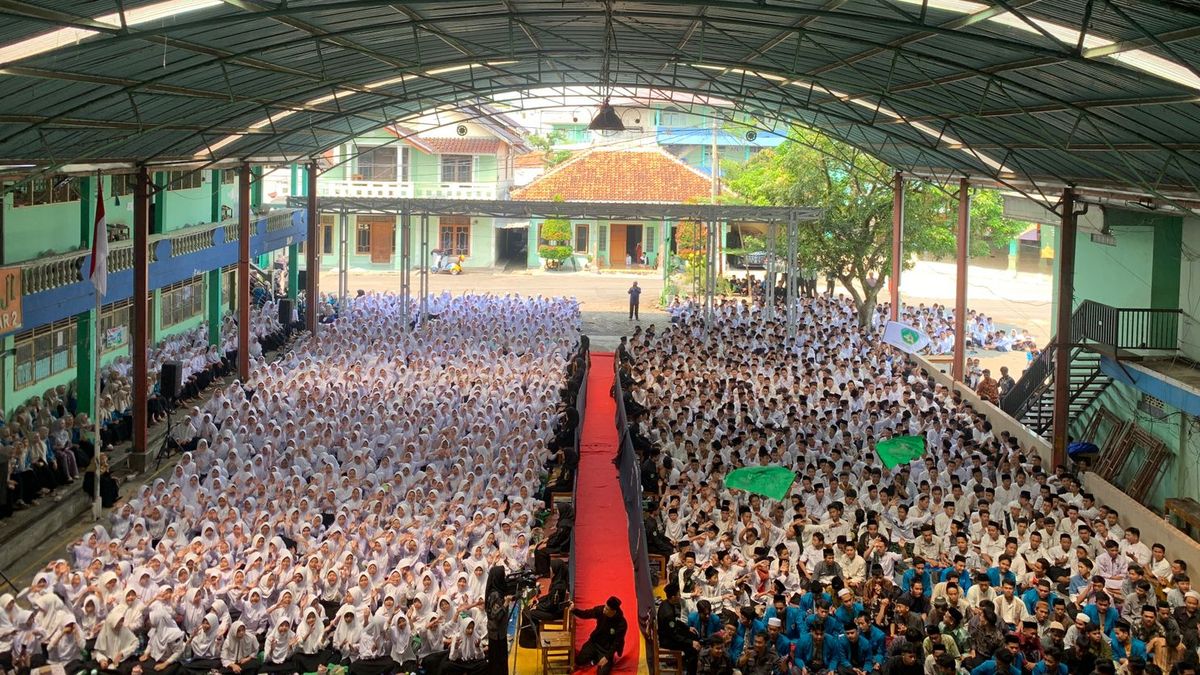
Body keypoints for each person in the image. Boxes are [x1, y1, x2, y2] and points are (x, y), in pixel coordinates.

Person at [572, 596, 628, 675]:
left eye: (607, 609)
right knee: (579, 661)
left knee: (602, 673)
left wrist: (607, 657)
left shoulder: (621, 624)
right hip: (594, 643)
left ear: (613, 611)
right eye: (605, 607)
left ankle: (605, 660)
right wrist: (574, 610)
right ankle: (594, 658)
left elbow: (617, 643)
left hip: (606, 650)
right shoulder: (601, 610)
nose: (604, 610)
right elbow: (586, 614)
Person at [658, 583, 701, 674]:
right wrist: (690, 642)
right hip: (668, 640)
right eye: (678, 595)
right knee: (693, 649)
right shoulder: (668, 613)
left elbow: (676, 621)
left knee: (694, 635)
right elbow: (674, 635)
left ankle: (684, 661)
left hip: (671, 633)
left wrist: (687, 628)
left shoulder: (666, 602)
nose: (680, 597)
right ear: (673, 597)